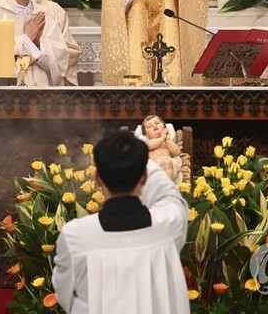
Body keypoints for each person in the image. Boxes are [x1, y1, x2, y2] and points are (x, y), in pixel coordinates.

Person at [52, 130, 189, 314]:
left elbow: (65, 295)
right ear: (144, 177)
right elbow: (168, 193)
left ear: (98, 179)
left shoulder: (75, 236)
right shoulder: (169, 222)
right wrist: (139, 151)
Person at [15, 0, 81, 86]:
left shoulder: (54, 10)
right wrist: (26, 42)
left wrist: (40, 46)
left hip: (48, 87)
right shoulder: (0, 11)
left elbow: (71, 52)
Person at [140, 115, 182, 182]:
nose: (154, 126)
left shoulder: (167, 143)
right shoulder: (147, 142)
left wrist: (167, 140)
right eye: (149, 126)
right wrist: (162, 138)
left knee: (166, 160)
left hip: (168, 167)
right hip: (151, 169)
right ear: (146, 135)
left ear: (165, 128)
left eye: (157, 123)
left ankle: (167, 187)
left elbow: (177, 152)